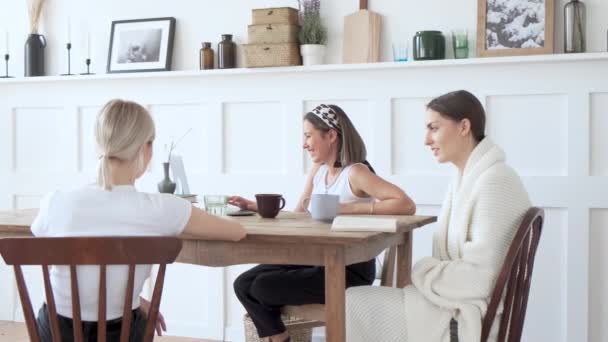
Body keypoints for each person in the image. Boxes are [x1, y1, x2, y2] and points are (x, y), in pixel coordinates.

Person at [31, 99, 246, 342]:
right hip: (118, 333)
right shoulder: (165, 209)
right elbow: (236, 232)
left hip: (57, 332)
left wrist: (131, 299)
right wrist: (128, 301)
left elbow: (55, 263)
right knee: (139, 319)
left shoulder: (56, 202)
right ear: (146, 148)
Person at [345, 90, 531, 342]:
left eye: (434, 128)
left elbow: (481, 279)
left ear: (464, 126)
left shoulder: (495, 182)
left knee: (349, 302)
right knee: (350, 299)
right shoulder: (466, 177)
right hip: (452, 303)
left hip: (467, 315)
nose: (426, 140)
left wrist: (420, 271)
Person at [230, 104, 416, 342]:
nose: (304, 144)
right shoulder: (319, 171)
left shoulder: (355, 172)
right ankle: (280, 339)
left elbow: (405, 203)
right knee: (243, 283)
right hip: (315, 260)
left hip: (348, 268)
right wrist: (256, 207)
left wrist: (345, 209)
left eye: (308, 136)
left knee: (263, 286)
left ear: (331, 135)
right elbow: (300, 214)